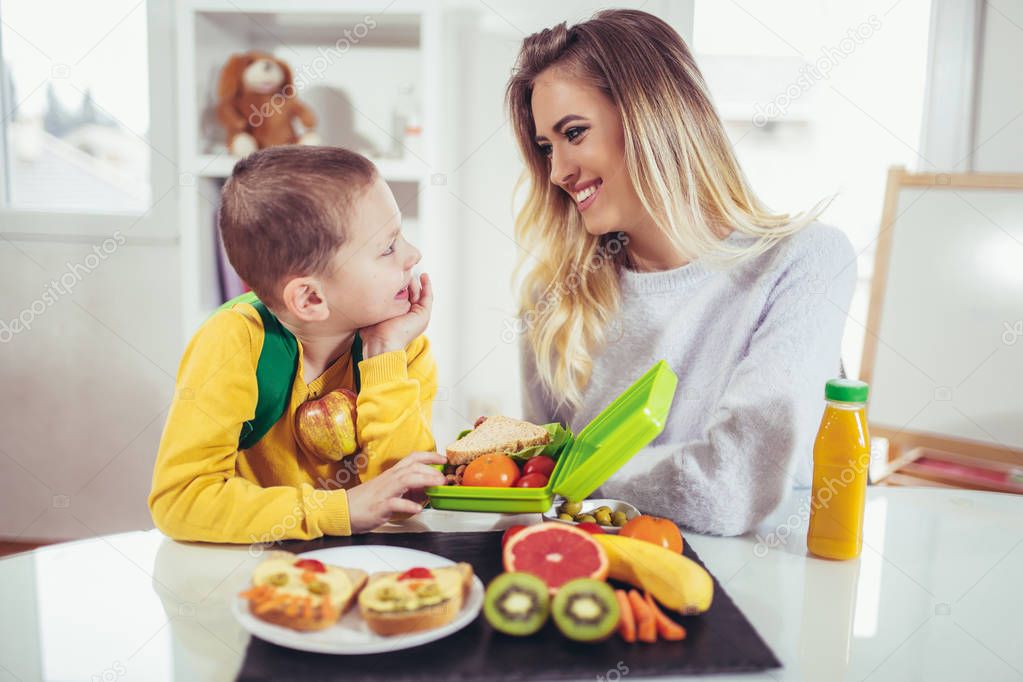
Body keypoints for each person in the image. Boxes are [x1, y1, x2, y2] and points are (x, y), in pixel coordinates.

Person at [507, 9, 856, 535]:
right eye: (545, 147)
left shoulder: (803, 262)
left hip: (761, 595)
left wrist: (576, 474)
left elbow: (730, 490)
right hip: (603, 590)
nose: (556, 172)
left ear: (653, 118)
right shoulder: (554, 302)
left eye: (574, 133)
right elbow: (537, 496)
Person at [149, 146, 445, 544]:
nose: (413, 254)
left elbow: (409, 494)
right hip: (255, 571)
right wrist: (337, 511)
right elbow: (181, 501)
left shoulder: (400, 346)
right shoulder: (234, 343)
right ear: (310, 299)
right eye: (388, 247)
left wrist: (384, 356)